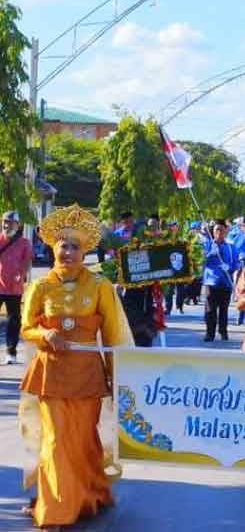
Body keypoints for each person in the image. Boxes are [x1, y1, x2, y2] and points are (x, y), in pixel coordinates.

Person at [18, 205, 134, 529]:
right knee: (55, 441)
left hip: (87, 379)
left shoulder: (100, 287)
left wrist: (120, 377)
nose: (67, 252)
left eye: (75, 246)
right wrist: (44, 333)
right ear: (52, 247)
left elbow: (113, 337)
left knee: (82, 442)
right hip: (51, 376)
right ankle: (54, 511)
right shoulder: (40, 287)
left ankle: (84, 496)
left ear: (84, 252)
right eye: (63, 245)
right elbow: (26, 328)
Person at [0, 211, 32, 364]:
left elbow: (26, 262)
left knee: (13, 320)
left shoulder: (24, 243)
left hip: (14, 288)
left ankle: (11, 352)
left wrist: (21, 274)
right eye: (5, 221)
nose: (6, 225)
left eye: (10, 222)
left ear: (18, 225)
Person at [202, 221, 237, 342]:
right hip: (212, 281)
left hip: (226, 282)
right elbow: (200, 262)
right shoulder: (207, 245)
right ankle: (209, 333)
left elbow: (236, 263)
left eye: (222, 230)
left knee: (224, 309)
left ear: (226, 232)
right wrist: (209, 254)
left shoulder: (231, 247)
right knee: (210, 309)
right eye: (217, 230)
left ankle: (223, 331)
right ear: (213, 231)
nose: (219, 233)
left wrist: (229, 267)